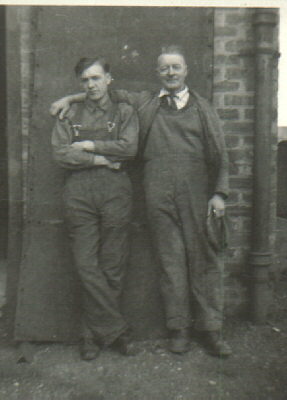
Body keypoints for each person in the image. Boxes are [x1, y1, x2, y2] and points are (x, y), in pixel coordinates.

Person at [50, 46, 231, 357]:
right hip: (156, 187)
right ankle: (179, 329)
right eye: (165, 69)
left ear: (186, 70)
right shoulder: (146, 101)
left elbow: (220, 154)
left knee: (203, 259)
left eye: (176, 67)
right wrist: (71, 99)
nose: (171, 73)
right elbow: (104, 92)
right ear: (157, 73)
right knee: (170, 260)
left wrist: (219, 193)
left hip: (195, 188)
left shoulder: (203, 108)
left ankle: (210, 329)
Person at [51, 57, 139, 361]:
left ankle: (91, 335)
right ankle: (116, 330)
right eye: (85, 80)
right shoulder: (69, 112)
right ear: (80, 84)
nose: (91, 85)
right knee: (86, 264)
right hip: (79, 193)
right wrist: (101, 158)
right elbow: (61, 154)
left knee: (113, 265)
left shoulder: (125, 110)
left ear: (108, 79)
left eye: (96, 78)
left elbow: (129, 148)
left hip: (116, 191)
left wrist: (88, 146)